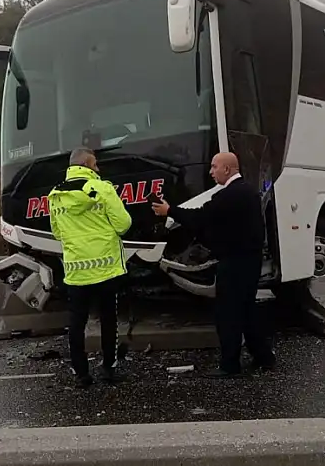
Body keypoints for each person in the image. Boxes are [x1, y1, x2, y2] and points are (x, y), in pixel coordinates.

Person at [151, 152, 276, 377]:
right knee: (247, 310)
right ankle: (264, 357)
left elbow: (200, 217)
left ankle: (230, 366)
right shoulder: (248, 192)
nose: (210, 171)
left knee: (227, 315)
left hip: (234, 262)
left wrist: (169, 211)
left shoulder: (228, 196)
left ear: (227, 170)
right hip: (250, 261)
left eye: (214, 167)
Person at [47, 147, 132, 387]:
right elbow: (124, 224)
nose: (98, 169)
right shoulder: (102, 189)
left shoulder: (55, 195)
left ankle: (81, 373)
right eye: (95, 165)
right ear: (85, 165)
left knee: (77, 322)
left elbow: (56, 233)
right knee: (109, 319)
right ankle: (108, 369)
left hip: (76, 270)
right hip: (106, 267)